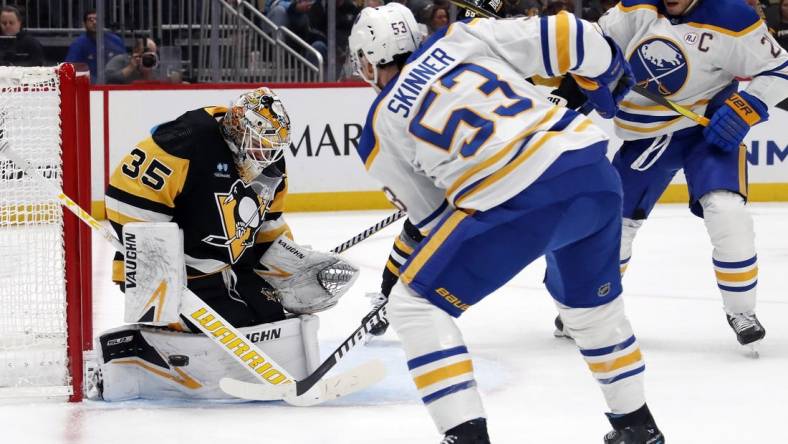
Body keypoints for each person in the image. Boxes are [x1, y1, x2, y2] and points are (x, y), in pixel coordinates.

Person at [349, 4, 664, 443]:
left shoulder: (377, 132)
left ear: (367, 59)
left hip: (514, 201)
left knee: (414, 304)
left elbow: (437, 219)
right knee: (591, 310)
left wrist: (401, 272)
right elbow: (570, 32)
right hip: (591, 174)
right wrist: (607, 69)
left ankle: (467, 438)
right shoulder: (461, 37)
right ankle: (637, 426)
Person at [89, 87, 357, 401]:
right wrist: (159, 268)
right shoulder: (187, 140)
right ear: (237, 130)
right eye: (259, 146)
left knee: (271, 321)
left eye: (272, 147)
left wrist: (293, 266)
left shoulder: (271, 166)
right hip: (174, 273)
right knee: (237, 326)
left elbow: (268, 227)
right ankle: (136, 359)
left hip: (230, 267)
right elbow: (127, 197)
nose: (265, 156)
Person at [556, 0, 788, 352]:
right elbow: (595, 51)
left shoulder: (732, 17)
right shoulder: (635, 9)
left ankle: (742, 312)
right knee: (613, 225)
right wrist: (580, 90)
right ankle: (588, 307)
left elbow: (780, 69)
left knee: (727, 211)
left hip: (707, 133)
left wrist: (747, 107)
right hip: (645, 139)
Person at [64, 9, 126, 83]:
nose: (94, 22)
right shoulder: (78, 44)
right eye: (90, 20)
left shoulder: (115, 41)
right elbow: (70, 69)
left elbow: (124, 64)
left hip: (115, 86)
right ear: (84, 24)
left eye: (97, 19)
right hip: (89, 87)